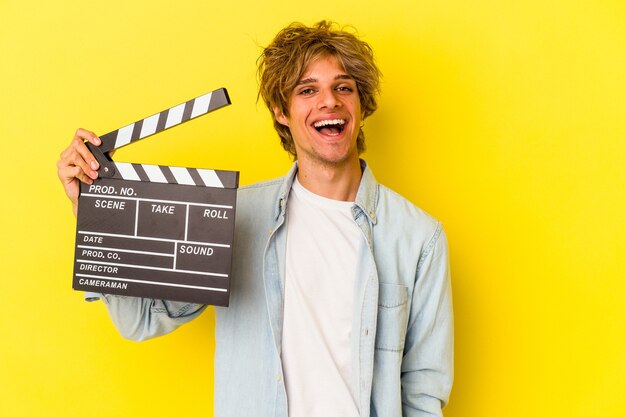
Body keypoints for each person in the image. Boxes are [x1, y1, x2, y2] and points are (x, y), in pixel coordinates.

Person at [57, 20, 453, 417]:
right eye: (307, 89)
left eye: (343, 87)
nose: (329, 101)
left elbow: (422, 393)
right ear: (282, 111)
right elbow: (142, 320)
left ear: (361, 106)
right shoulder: (234, 219)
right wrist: (95, 209)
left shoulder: (418, 237)